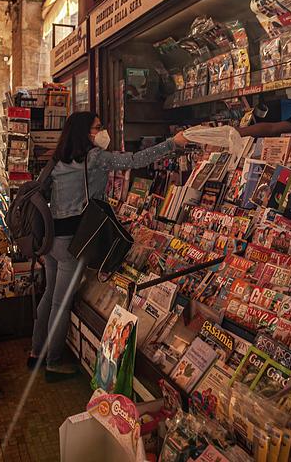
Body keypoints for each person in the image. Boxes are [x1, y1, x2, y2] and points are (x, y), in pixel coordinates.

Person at [29, 111, 190, 374]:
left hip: (51, 239)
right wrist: (173, 142)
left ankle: (36, 350)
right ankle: (53, 363)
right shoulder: (94, 158)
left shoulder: (57, 160)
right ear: (85, 132)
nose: (103, 131)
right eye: (98, 127)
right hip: (74, 242)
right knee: (60, 303)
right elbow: (135, 159)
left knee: (49, 294)